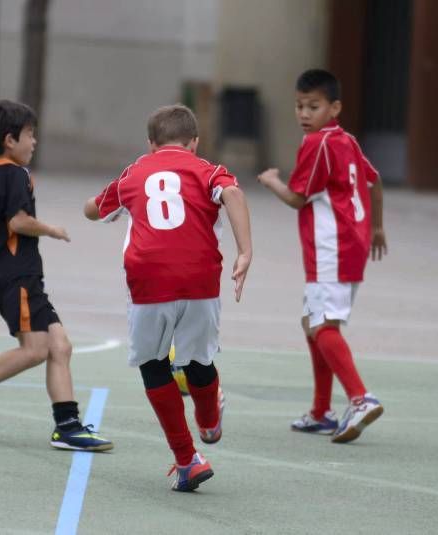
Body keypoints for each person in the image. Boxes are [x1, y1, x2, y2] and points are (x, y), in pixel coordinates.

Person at [83, 104, 252, 490]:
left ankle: (187, 459)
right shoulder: (208, 169)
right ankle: (209, 419)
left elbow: (92, 209)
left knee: (154, 365)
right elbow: (233, 193)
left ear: (150, 143)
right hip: (200, 279)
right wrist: (245, 251)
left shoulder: (134, 173)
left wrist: (100, 205)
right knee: (198, 360)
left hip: (149, 282)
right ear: (194, 142)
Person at [0, 100, 113, 452]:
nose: (34, 142)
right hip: (15, 275)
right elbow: (17, 221)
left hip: (8, 273)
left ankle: (67, 425)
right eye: (30, 135)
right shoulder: (15, 174)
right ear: (9, 140)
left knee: (60, 345)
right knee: (35, 350)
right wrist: (50, 229)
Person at [256, 69, 388, 444]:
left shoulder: (318, 143)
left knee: (323, 326)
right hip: (353, 245)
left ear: (335, 107)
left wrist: (271, 182)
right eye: (299, 106)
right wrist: (377, 227)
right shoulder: (346, 140)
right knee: (311, 322)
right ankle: (320, 412)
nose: (304, 113)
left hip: (333, 247)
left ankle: (360, 399)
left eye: (313, 106)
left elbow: (298, 199)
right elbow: (374, 181)